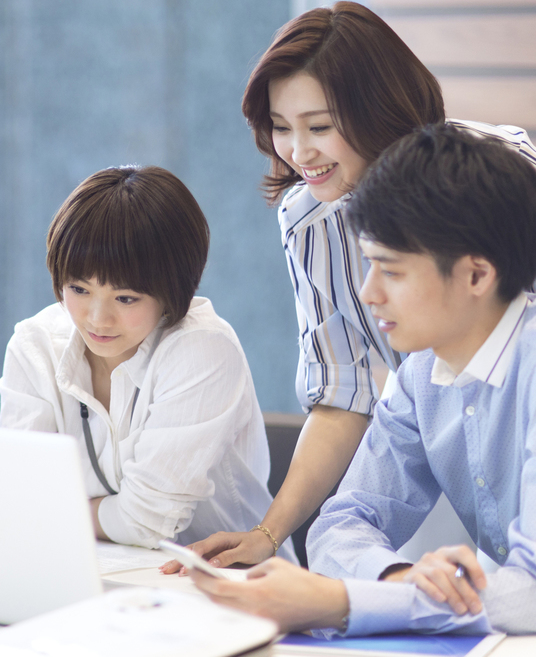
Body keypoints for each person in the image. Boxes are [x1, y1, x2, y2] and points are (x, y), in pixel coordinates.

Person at [176, 2, 536, 570]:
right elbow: (343, 393)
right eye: (281, 127)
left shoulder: (491, 170)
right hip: (432, 464)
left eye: (319, 126)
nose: (299, 152)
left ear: (378, 110)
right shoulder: (310, 219)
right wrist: (269, 534)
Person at [192, 125, 536, 636]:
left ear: (477, 275)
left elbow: (529, 593)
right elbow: (341, 524)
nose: (369, 293)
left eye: (391, 271)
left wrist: (341, 601)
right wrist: (396, 577)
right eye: (368, 265)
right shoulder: (420, 372)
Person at [0, 166, 292, 555]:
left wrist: (60, 512)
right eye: (79, 289)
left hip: (227, 578)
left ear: (172, 292)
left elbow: (149, 520)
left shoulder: (202, 350)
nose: (98, 319)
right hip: (89, 571)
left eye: (125, 298)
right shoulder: (34, 346)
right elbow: (21, 498)